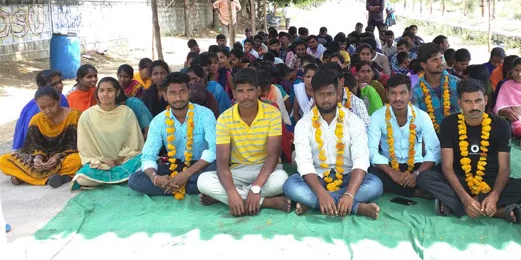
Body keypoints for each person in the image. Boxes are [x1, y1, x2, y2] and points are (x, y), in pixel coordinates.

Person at [416, 79, 521, 223]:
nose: (474, 106)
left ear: (485, 100)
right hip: (459, 179)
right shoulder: (448, 124)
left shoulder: (501, 125)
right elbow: (447, 167)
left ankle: (456, 205)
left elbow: (504, 168)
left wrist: (494, 195)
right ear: (459, 103)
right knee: (424, 178)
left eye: (478, 100)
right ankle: (495, 211)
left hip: (489, 181)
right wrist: (464, 198)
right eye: (468, 102)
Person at [283, 70, 382, 219]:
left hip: (348, 177)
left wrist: (349, 194)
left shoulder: (353, 121)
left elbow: (361, 160)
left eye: (330, 94)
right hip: (317, 177)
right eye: (321, 95)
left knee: (375, 185)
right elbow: (304, 163)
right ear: (313, 95)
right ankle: (355, 207)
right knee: (291, 186)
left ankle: (315, 203)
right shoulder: (304, 124)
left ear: (338, 93)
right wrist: (321, 193)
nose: (326, 100)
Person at [197, 69, 291, 215]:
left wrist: (256, 188)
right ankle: (266, 202)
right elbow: (222, 163)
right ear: (234, 94)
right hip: (238, 170)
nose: (246, 96)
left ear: (258, 91)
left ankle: (226, 198)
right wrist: (231, 192)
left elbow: (273, 156)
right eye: (240, 91)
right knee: (203, 181)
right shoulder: (224, 118)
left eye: (250, 90)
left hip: (266, 170)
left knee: (282, 180)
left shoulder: (272, 113)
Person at [128, 72, 217, 198]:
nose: (178, 98)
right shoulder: (159, 121)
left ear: (189, 92)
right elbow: (148, 156)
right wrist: (155, 179)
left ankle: (176, 187)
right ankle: (191, 187)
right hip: (175, 165)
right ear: (165, 95)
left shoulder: (205, 114)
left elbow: (214, 149)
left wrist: (187, 174)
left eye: (182, 92)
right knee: (135, 179)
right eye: (172, 93)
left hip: (201, 166)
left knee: (218, 168)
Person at [368, 75, 439, 198]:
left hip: (417, 166)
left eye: (402, 93)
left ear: (410, 94)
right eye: (393, 93)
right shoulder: (377, 116)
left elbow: (434, 150)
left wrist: (416, 174)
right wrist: (392, 173)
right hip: (388, 166)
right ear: (387, 94)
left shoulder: (422, 116)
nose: (398, 98)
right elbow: (371, 150)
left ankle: (404, 187)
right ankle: (416, 192)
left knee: (434, 172)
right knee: (369, 171)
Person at [0, 87, 81, 188]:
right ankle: (56, 178)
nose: (48, 110)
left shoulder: (74, 116)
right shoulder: (36, 119)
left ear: (59, 100)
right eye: (42, 108)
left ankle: (26, 176)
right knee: (3, 160)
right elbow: (33, 146)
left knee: (77, 161)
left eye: (51, 105)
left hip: (64, 158)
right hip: (44, 160)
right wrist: (38, 158)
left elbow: (77, 145)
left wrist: (57, 157)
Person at [72, 77, 144, 190]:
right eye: (101, 90)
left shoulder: (126, 112)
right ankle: (122, 179)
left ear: (117, 92)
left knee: (144, 161)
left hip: (124, 161)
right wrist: (102, 162)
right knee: (82, 178)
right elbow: (86, 149)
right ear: (97, 92)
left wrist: (118, 160)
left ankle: (106, 180)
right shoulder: (87, 116)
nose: (105, 94)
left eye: (110, 90)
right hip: (100, 165)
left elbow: (134, 144)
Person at [13, 70, 69, 150]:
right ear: (42, 87)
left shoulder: (62, 98)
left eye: (60, 82)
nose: (59, 86)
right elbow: (32, 136)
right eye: (54, 84)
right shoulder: (36, 108)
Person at [412, 43, 461, 134]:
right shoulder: (416, 91)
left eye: (441, 58)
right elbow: (415, 121)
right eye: (434, 60)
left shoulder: (456, 83)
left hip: (460, 138)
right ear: (424, 65)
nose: (440, 63)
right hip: (430, 140)